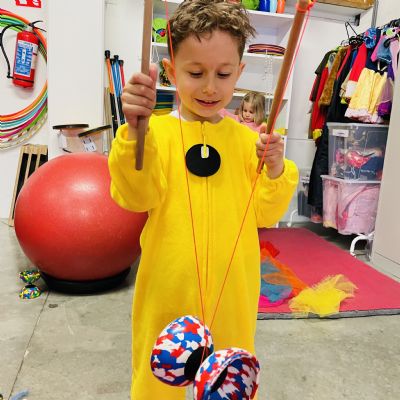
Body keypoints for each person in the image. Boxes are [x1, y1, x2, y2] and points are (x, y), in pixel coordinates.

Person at [108, 0, 298, 398]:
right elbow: (134, 196)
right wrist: (134, 135)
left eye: (223, 74)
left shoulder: (249, 142)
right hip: (168, 289)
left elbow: (266, 213)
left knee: (228, 379)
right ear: (171, 70)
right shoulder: (156, 134)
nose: (210, 87)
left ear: (239, 73)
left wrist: (276, 168)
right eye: (195, 73)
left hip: (233, 294)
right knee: (159, 380)